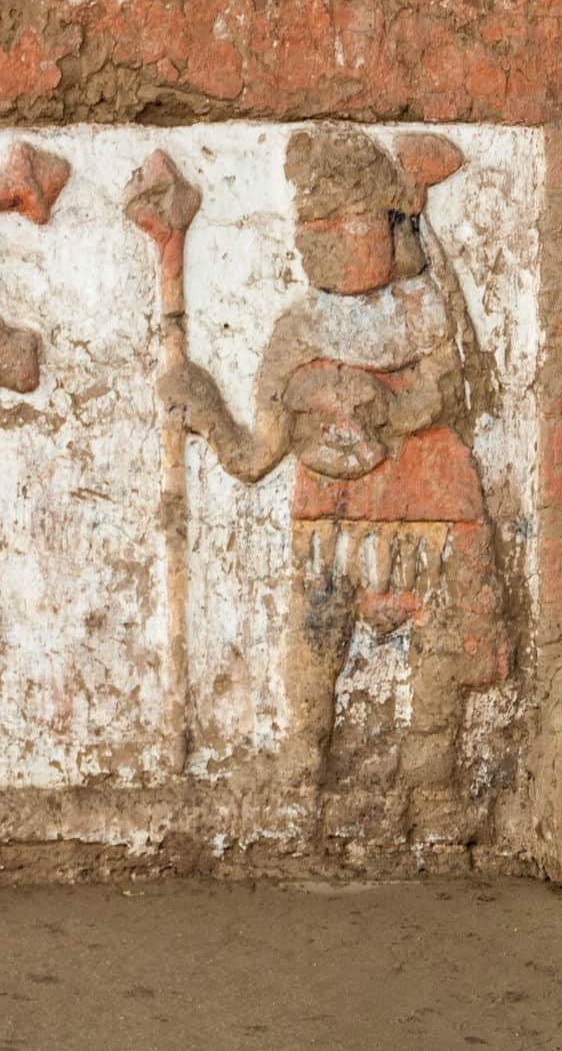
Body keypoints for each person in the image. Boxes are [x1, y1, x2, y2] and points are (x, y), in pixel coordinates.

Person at [158, 127, 512, 788]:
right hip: (331, 526)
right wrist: (205, 408)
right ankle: (301, 774)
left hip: (434, 511)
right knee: (313, 656)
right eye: (312, 224)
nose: (323, 237)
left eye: (344, 220)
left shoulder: (427, 312)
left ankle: (428, 779)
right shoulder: (295, 332)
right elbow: (256, 451)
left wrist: (384, 407)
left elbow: (444, 395)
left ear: (386, 224)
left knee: (439, 666)